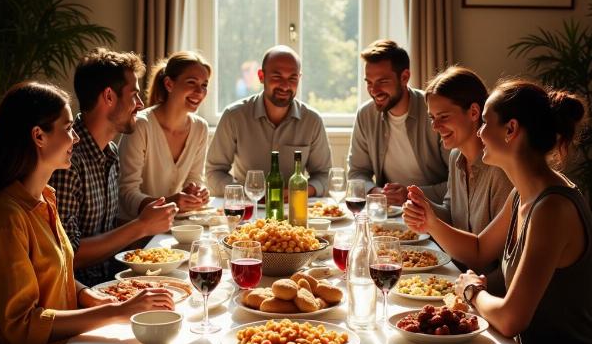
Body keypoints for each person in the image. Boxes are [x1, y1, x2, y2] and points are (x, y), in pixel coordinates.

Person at [403, 79, 592, 344]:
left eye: (485, 122)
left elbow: (509, 318)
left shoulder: (552, 207)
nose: (479, 131)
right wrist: (430, 223)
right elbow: (476, 250)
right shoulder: (525, 193)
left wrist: (470, 290)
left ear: (511, 130)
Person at [0, 82, 174, 344]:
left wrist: (112, 300)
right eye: (67, 128)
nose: (75, 136)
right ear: (38, 136)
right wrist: (117, 311)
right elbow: (23, 326)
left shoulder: (45, 197)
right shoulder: (5, 216)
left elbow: (62, 279)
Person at [50, 49, 177, 287]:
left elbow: (106, 231)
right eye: (134, 95)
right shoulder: (66, 160)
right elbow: (68, 254)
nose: (140, 105)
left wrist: (151, 225)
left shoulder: (110, 151)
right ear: (109, 96)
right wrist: (141, 226)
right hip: (80, 293)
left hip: (112, 279)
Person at [206, 45, 332, 196]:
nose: (285, 86)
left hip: (292, 209)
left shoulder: (312, 120)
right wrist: (245, 194)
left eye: (292, 78)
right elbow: (214, 171)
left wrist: (298, 192)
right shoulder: (233, 116)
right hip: (246, 209)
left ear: (299, 78)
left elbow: (324, 175)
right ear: (261, 76)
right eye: (277, 77)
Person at [347, 39, 448, 205]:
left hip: (435, 211)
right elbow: (357, 172)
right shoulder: (365, 115)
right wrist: (376, 192)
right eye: (369, 83)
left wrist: (410, 195)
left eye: (382, 82)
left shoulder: (435, 111)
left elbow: (459, 181)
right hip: (390, 215)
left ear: (405, 77)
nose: (374, 91)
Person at [118, 51, 211, 220]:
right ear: (169, 84)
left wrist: (197, 193)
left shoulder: (200, 128)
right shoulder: (141, 125)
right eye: (192, 82)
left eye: (204, 85)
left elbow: (194, 179)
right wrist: (171, 202)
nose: (200, 91)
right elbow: (126, 193)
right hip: (134, 229)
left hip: (172, 225)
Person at [423, 66, 513, 233]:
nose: (435, 126)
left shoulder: (500, 168)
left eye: (443, 117)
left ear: (473, 112)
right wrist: (422, 205)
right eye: (432, 118)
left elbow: (495, 249)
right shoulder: (456, 156)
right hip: (458, 259)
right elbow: (452, 216)